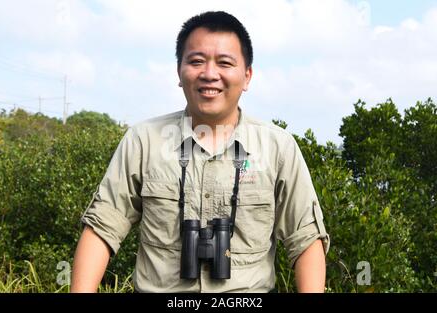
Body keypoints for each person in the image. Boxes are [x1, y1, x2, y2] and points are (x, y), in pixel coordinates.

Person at [71, 10, 330, 293]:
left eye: (224, 63)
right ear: (179, 73)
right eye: (196, 61)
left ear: (247, 76)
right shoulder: (142, 140)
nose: (209, 74)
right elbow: (102, 228)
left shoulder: (278, 147)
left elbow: (305, 240)